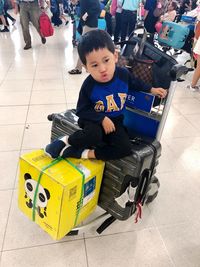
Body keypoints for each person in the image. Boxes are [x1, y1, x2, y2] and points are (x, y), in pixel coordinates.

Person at [45, 29, 167, 161]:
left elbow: (136, 83)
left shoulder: (123, 74)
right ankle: (66, 141)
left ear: (115, 56)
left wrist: (152, 89)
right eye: (95, 65)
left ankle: (81, 154)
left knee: (125, 148)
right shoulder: (89, 85)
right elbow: (82, 109)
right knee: (93, 135)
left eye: (106, 60)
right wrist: (101, 119)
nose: (102, 69)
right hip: (93, 119)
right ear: (86, 67)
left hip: (115, 121)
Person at [68, 0, 101, 74]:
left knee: (83, 46)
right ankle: (91, 65)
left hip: (90, 24)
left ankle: (78, 68)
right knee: (91, 47)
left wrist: (87, 14)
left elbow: (97, 8)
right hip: (87, 23)